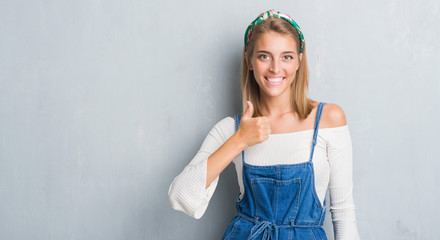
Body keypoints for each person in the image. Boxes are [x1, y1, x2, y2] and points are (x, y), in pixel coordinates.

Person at [168, 9, 360, 240]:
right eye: (264, 56)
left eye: (287, 56)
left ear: (299, 61)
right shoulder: (231, 129)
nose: (275, 68)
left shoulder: (328, 119)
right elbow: (180, 195)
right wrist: (239, 140)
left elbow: (343, 214)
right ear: (249, 61)